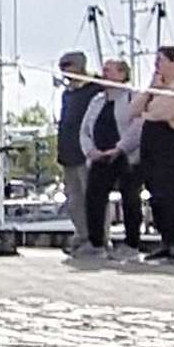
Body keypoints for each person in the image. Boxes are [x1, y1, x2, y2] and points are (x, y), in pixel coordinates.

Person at [135, 46, 174, 263]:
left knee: (173, 196)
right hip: (154, 148)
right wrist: (150, 90)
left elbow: (159, 113)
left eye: (161, 60)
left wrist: (147, 108)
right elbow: (133, 110)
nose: (156, 64)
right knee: (157, 196)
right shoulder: (157, 88)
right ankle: (165, 240)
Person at [80, 58, 146, 258]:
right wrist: (90, 150)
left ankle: (131, 244)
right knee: (94, 197)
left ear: (122, 74)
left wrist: (119, 148)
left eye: (109, 70)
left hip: (126, 156)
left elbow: (138, 125)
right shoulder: (97, 101)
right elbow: (84, 129)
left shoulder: (132, 97)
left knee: (130, 198)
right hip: (99, 157)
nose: (104, 73)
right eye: (104, 70)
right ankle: (96, 243)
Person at [54, 53, 102, 259]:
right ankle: (82, 236)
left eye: (67, 65)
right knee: (74, 200)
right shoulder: (67, 94)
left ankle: (97, 239)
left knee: (92, 198)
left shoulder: (95, 90)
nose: (64, 70)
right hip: (68, 153)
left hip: (87, 153)